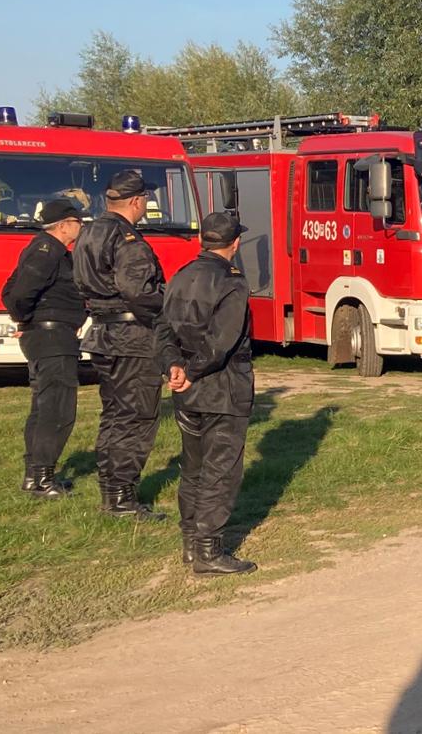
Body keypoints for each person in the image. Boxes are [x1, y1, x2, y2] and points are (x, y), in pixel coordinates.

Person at [156, 212, 258, 575]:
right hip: (223, 386)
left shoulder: (181, 275)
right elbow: (221, 343)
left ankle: (189, 542)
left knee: (193, 466)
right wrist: (192, 369)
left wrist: (175, 367)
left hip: (187, 386)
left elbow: (163, 330)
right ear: (235, 243)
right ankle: (208, 551)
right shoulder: (232, 283)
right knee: (221, 470)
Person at [73, 170, 169, 520]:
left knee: (114, 414)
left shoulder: (89, 231)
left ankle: (111, 489)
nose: (146, 205)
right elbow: (138, 291)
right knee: (136, 416)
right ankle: (122, 497)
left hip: (102, 333)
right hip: (132, 337)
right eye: (146, 199)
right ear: (136, 201)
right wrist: (169, 302)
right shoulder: (127, 238)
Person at [1, 197, 85, 498]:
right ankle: (43, 478)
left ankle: (33, 475)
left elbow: (10, 288)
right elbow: (19, 293)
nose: (81, 226)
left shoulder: (48, 250)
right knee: (58, 409)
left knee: (42, 407)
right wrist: (27, 318)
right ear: (63, 226)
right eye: (77, 222)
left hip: (47, 336)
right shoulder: (47, 251)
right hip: (51, 338)